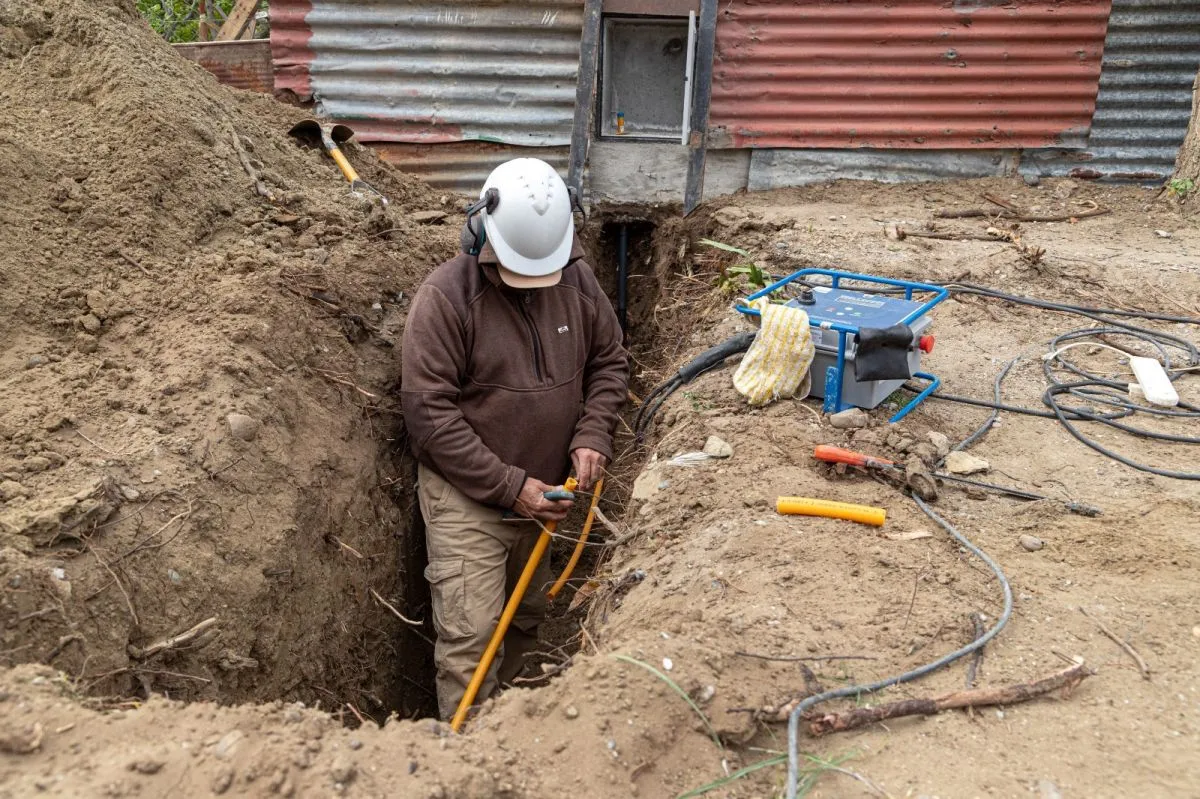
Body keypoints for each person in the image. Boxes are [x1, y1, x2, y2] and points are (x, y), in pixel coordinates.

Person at [400, 158, 628, 719]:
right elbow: (430, 417)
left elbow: (609, 361)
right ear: (479, 232)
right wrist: (509, 486)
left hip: (545, 492)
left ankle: (514, 729)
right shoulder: (445, 299)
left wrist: (593, 431)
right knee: (472, 639)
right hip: (469, 496)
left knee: (525, 614)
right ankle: (469, 750)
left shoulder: (576, 278)